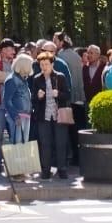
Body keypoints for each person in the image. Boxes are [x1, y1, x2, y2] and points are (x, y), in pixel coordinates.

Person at [30, 50, 73, 181]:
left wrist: (58, 94)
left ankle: (62, 169)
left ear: (52, 64)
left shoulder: (60, 77)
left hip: (59, 114)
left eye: (46, 64)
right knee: (45, 143)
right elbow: (33, 98)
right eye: (41, 64)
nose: (44, 67)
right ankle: (46, 170)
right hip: (44, 116)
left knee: (61, 142)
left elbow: (68, 94)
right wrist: (37, 96)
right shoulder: (37, 79)